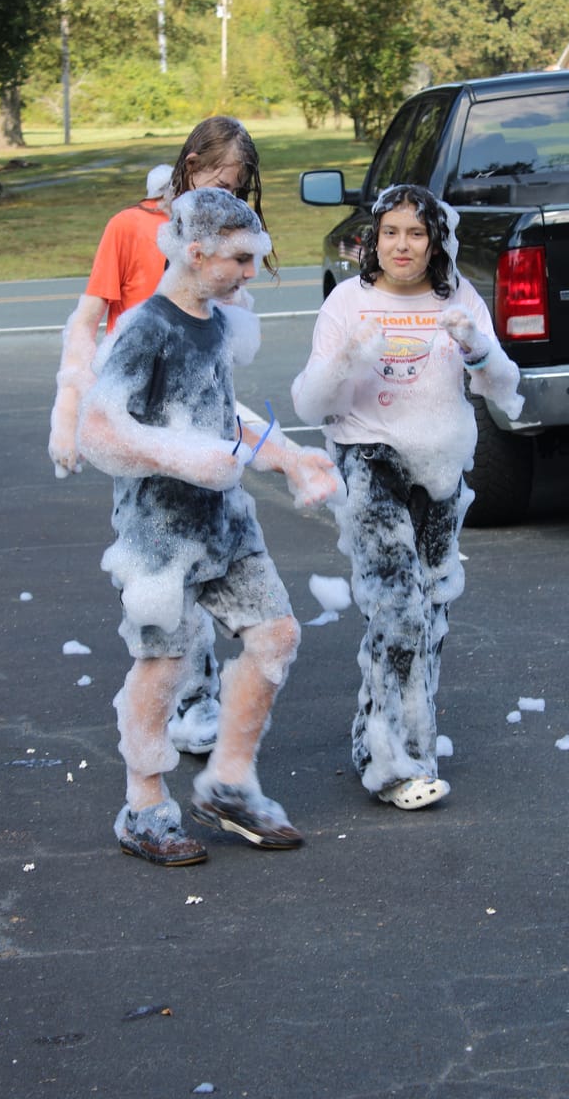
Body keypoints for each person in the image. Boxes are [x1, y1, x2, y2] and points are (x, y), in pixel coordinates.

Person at [77, 187, 336, 866]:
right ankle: (144, 810)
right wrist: (186, 456)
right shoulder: (146, 328)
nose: (252, 272)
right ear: (196, 251)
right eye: (241, 259)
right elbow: (97, 430)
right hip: (158, 533)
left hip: (225, 523)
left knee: (276, 635)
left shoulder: (216, 322)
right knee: (164, 662)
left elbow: (222, 417)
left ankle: (229, 783)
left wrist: (290, 458)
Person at [291, 184, 523, 810]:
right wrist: (345, 357)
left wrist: (476, 346)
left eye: (416, 234)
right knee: (396, 607)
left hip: (441, 463)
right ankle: (399, 765)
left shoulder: (459, 298)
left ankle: (382, 743)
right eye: (390, 232)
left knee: (432, 609)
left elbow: (505, 387)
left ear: (436, 241)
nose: (402, 245)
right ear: (373, 239)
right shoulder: (348, 301)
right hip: (370, 458)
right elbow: (310, 404)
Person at [47, 117, 272, 756]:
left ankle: (196, 703)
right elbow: (86, 323)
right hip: (140, 430)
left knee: (212, 558)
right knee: (163, 577)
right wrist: (68, 408)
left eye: (237, 190)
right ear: (191, 163)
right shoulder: (131, 227)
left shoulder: (225, 239)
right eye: (220, 183)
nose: (228, 197)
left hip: (201, 424)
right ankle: (177, 710)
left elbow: (228, 334)